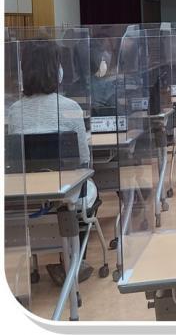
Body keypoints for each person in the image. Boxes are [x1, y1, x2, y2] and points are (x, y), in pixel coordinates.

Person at [6, 39, 97, 285]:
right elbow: (84, 160)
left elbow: (15, 160)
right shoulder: (70, 108)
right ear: (55, 70)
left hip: (26, 199)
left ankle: (53, 263)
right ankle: (73, 261)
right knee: (89, 192)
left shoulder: (14, 111)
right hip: (64, 196)